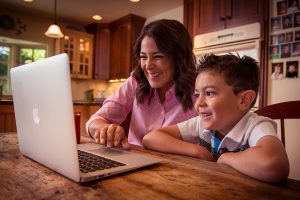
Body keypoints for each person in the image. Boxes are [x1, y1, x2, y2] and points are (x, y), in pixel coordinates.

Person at [142, 54, 290, 183]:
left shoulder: (256, 126)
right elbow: (151, 138)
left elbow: (274, 165)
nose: (199, 103)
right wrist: (197, 151)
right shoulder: (201, 124)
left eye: (210, 93)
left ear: (244, 100)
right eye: (198, 94)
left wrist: (225, 158)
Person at [86, 19, 198, 148]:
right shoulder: (136, 81)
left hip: (181, 166)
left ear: (179, 57)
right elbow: (94, 121)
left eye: (158, 56)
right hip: (135, 161)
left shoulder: (199, 91)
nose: (148, 65)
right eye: (143, 57)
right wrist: (105, 129)